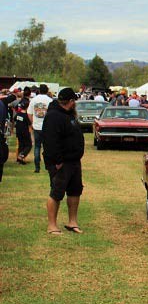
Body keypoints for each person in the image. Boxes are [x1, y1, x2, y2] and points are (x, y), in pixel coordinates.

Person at [42, 88, 85, 236]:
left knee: (75, 191)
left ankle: (72, 222)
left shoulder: (69, 115)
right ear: (71, 101)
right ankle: (52, 225)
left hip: (73, 161)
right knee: (56, 192)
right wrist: (57, 161)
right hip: (61, 163)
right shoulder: (54, 116)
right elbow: (50, 141)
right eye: (75, 101)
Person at [27, 84, 53, 174]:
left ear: (39, 90)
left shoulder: (33, 100)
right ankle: (48, 166)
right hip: (47, 127)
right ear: (46, 91)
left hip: (36, 127)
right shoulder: (50, 100)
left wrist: (33, 122)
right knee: (47, 147)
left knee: (37, 147)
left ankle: (37, 167)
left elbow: (29, 113)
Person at [13, 87, 32, 164]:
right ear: (27, 107)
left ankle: (19, 159)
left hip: (18, 131)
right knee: (29, 145)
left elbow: (14, 119)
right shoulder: (26, 116)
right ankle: (22, 155)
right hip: (25, 132)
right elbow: (30, 124)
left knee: (21, 145)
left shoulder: (18, 114)